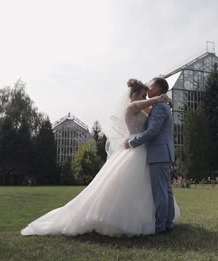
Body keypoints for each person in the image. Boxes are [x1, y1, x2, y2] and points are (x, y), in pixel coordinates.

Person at [20, 79, 180, 237]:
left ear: (158, 89)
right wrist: (160, 99)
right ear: (135, 94)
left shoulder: (155, 108)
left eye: (149, 92)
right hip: (139, 148)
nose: (146, 98)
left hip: (145, 149)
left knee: (158, 190)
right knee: (152, 189)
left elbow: (152, 121)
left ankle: (162, 223)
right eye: (144, 95)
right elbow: (144, 109)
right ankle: (160, 224)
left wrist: (162, 100)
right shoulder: (132, 106)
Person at [125, 77, 175, 234]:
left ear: (158, 90)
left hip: (158, 153)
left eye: (151, 87)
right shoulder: (159, 106)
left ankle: (161, 226)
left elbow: (152, 131)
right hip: (162, 153)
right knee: (166, 190)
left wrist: (133, 143)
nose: (149, 89)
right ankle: (168, 223)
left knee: (161, 191)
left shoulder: (160, 108)